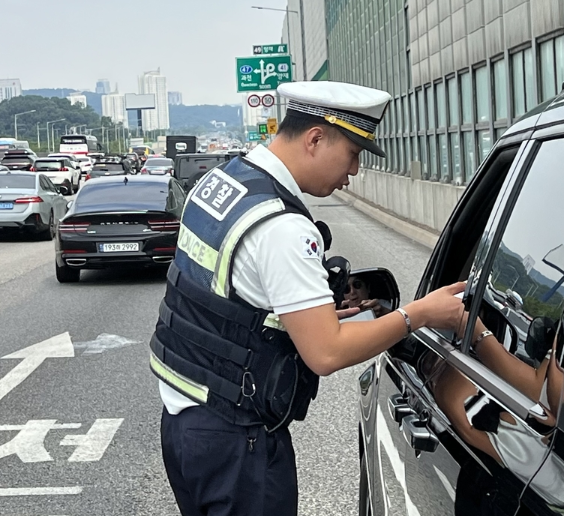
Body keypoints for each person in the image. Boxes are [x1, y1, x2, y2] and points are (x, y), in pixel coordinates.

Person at [149, 80, 466, 516]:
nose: (354, 171)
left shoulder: (224, 182)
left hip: (186, 423)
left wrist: (301, 312)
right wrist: (419, 314)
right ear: (316, 139)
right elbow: (326, 353)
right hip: (238, 442)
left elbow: (223, 299)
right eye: (353, 155)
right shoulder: (283, 227)